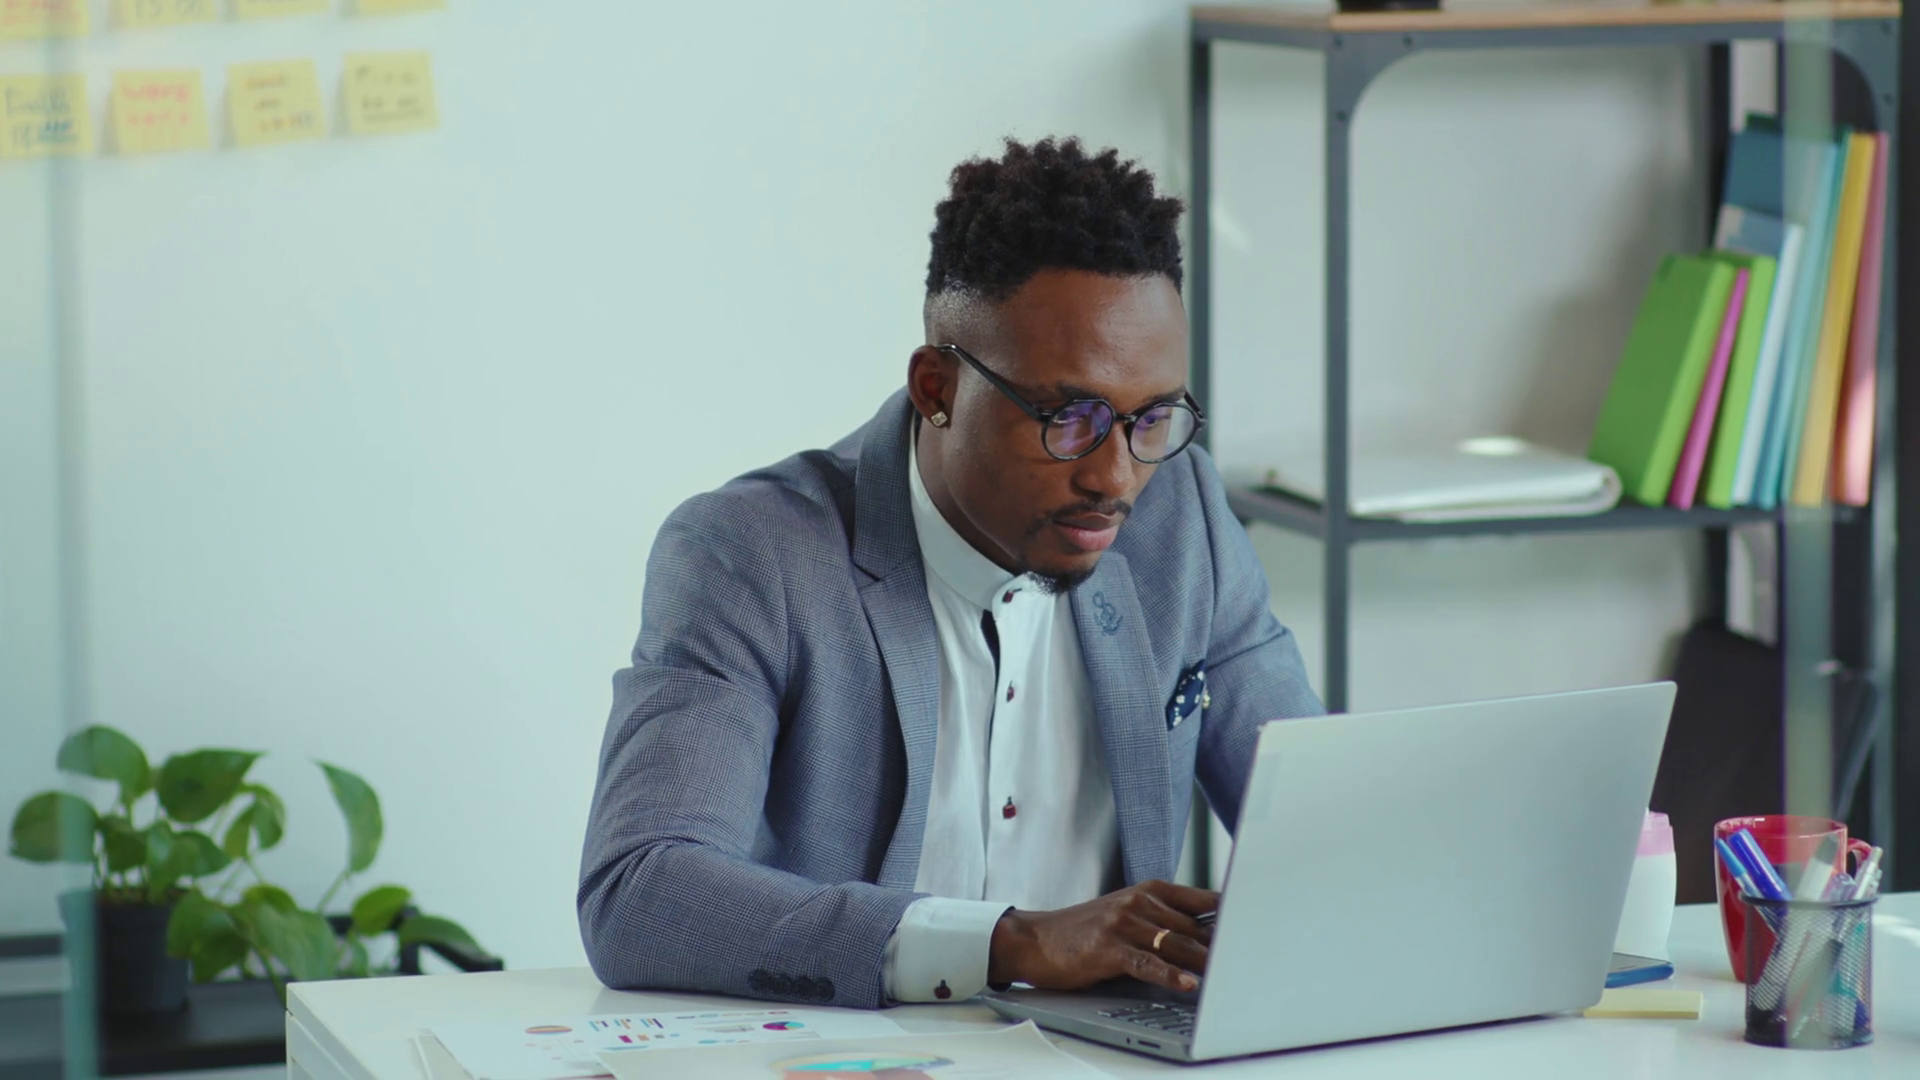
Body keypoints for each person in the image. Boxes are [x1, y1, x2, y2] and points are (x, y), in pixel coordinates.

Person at [578, 136, 1322, 1010]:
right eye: (1068, 418)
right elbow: (642, 890)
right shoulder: (754, 553)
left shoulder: (1181, 515)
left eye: (1151, 417)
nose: (1116, 477)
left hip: (1105, 1058)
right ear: (937, 389)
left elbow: (1328, 825)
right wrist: (1015, 942)